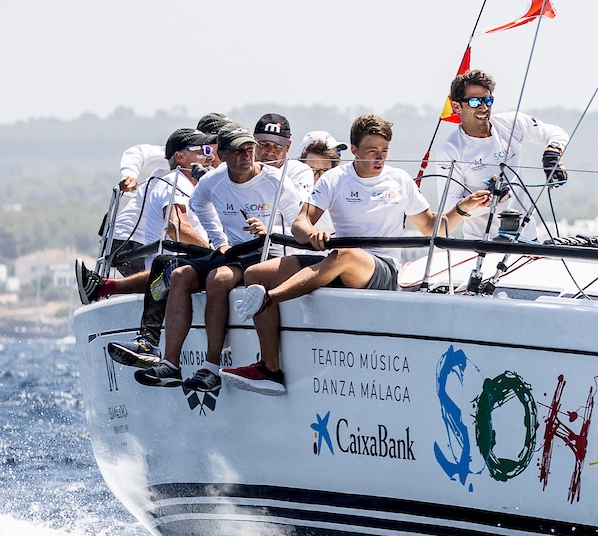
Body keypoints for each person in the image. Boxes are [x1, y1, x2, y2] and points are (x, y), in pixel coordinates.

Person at [220, 116, 487, 394]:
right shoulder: (335, 178)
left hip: (381, 268)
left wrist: (463, 208)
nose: (379, 157)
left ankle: (268, 299)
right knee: (256, 273)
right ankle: (270, 370)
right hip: (337, 260)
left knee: (345, 254)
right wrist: (312, 233)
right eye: (372, 150)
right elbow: (300, 223)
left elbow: (431, 226)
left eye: (384, 150)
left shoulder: (400, 179)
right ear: (355, 150)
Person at [127, 125, 289, 395]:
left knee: (218, 278)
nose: (246, 156)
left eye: (250, 149)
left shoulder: (275, 180)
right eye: (238, 151)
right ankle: (170, 364)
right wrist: (219, 240)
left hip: (264, 253)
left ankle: (211, 367)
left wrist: (269, 231)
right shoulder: (213, 181)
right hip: (233, 251)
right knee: (179, 275)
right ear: (222, 154)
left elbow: (298, 220)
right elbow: (198, 204)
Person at [420, 70, 569, 236]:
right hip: (481, 245)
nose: (484, 107)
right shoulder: (450, 150)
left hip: (527, 240)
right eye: (475, 102)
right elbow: (450, 210)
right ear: (456, 106)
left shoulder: (510, 124)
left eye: (488, 100)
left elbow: (555, 133)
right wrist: (489, 200)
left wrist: (552, 153)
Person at [89, 128, 213, 311]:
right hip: (129, 239)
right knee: (156, 284)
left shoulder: (209, 171)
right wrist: (129, 175)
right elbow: (137, 152)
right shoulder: (178, 164)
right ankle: (101, 287)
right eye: (207, 147)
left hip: (157, 241)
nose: (210, 153)